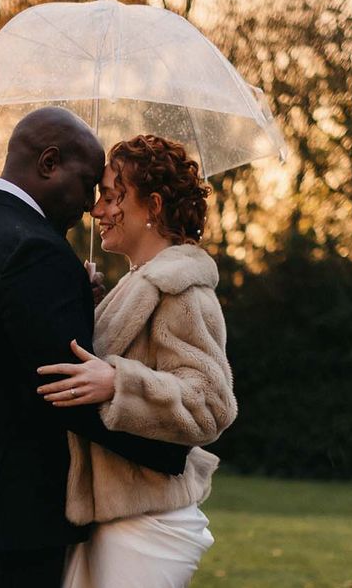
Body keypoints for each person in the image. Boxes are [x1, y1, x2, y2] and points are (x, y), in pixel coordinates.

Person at [0, 109, 189, 588]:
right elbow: (65, 388)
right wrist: (172, 449)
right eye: (88, 182)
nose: (91, 206)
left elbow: (3, 352)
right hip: (11, 512)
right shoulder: (37, 249)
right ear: (49, 163)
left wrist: (76, 298)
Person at [36, 134, 238, 588]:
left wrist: (119, 384)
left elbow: (211, 403)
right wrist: (86, 304)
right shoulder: (136, 283)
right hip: (115, 517)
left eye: (111, 196)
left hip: (149, 524)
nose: (96, 210)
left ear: (153, 205)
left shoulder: (183, 287)